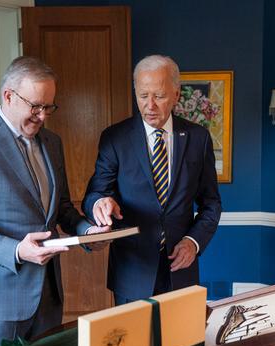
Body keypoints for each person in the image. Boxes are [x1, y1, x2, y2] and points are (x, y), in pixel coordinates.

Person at [0, 56, 108, 346]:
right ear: (8, 96)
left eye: (49, 107)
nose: (43, 116)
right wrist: (17, 250)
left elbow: (60, 208)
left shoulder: (53, 142)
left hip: (48, 293)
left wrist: (87, 231)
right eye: (35, 106)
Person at [83, 54, 222, 305]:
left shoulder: (198, 138)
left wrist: (193, 242)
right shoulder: (115, 138)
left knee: (180, 345)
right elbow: (94, 193)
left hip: (181, 270)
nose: (150, 106)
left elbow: (211, 204)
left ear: (177, 95)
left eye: (159, 96)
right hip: (131, 270)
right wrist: (99, 203)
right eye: (143, 96)